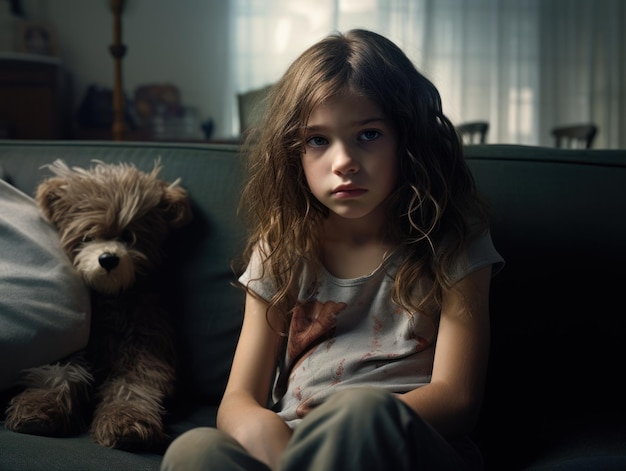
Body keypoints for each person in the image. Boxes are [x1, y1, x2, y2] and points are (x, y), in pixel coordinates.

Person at [161, 28, 504, 471]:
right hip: (293, 450)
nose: (343, 161)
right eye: (318, 140)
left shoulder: (454, 238)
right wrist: (257, 427)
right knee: (193, 452)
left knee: (359, 414)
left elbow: (458, 399)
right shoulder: (282, 247)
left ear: (408, 138)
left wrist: (342, 423)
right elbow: (239, 398)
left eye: (369, 135)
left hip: (402, 445)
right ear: (294, 153)